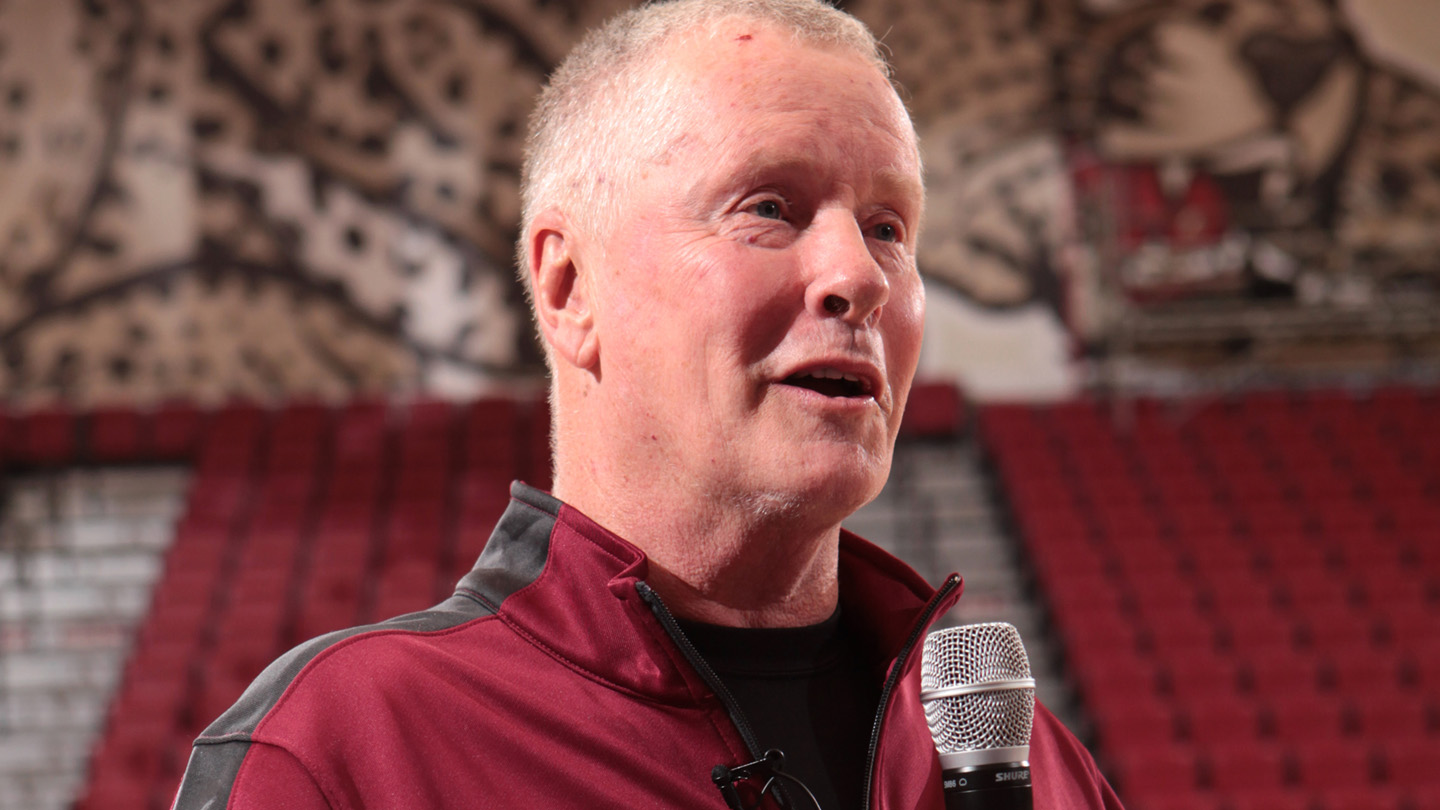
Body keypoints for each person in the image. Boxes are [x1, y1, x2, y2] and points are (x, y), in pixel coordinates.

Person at [171, 1, 1124, 808]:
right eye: (769, 208)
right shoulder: (344, 753)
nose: (861, 276)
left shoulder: (1042, 771)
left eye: (888, 226)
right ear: (569, 290)